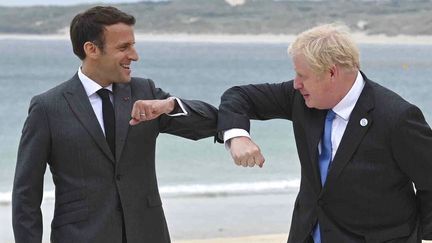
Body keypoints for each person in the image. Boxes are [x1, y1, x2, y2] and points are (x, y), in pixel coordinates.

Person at [12, 6, 217, 243]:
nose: (135, 55)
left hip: (147, 234)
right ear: (91, 49)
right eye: (123, 47)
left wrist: (169, 105)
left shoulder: (145, 91)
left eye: (133, 45)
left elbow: (212, 123)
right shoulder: (47, 107)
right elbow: (26, 194)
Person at [217, 24, 432, 243]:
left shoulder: (397, 117)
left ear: (331, 72)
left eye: (303, 75)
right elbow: (239, 96)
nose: (296, 83)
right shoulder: (300, 98)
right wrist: (237, 135)